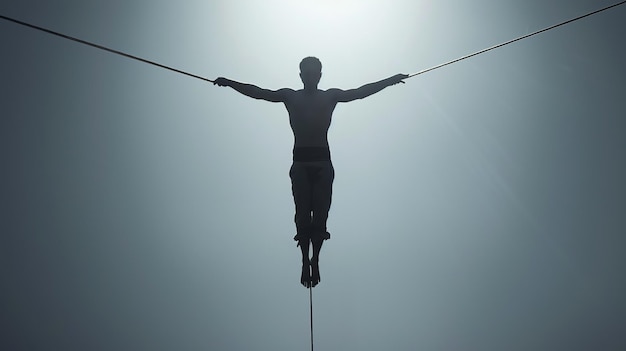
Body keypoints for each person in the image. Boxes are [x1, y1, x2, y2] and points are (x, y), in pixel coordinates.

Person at [214, 57, 407, 288]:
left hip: (322, 161)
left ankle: (315, 260)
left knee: (321, 214)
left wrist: (390, 81)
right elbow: (259, 92)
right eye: (306, 71)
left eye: (314, 71)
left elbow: (360, 92)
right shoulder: (290, 95)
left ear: (320, 75)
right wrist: (229, 83)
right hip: (302, 162)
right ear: (301, 75)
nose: (310, 75)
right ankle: (305, 260)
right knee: (303, 214)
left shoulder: (330, 96)